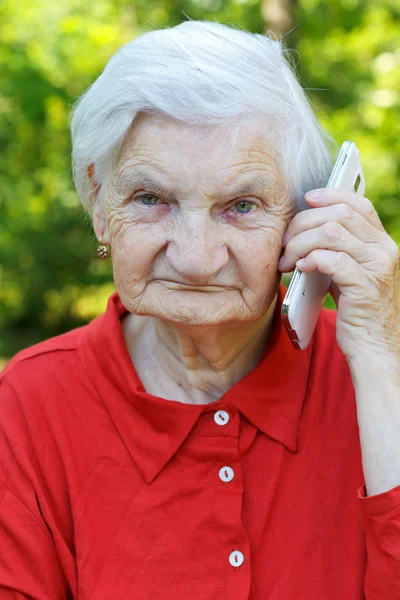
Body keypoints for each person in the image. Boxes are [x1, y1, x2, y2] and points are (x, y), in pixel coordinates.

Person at [0, 20, 399, 600]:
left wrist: (382, 363)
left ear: (303, 217)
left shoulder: (375, 371)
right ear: (98, 202)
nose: (194, 259)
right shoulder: (34, 398)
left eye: (240, 205)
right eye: (151, 199)